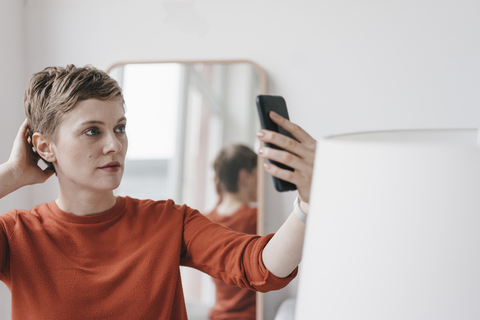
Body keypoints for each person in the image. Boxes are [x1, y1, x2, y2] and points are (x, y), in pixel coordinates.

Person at [0, 64, 317, 319]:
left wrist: (307, 202)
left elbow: (261, 266)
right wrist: (12, 174)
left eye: (120, 128)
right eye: (92, 131)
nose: (114, 145)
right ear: (45, 146)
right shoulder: (16, 235)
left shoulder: (168, 221)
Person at [206, 144, 259, 320]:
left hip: (217, 315)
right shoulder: (255, 219)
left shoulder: (206, 220)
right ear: (244, 177)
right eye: (258, 177)